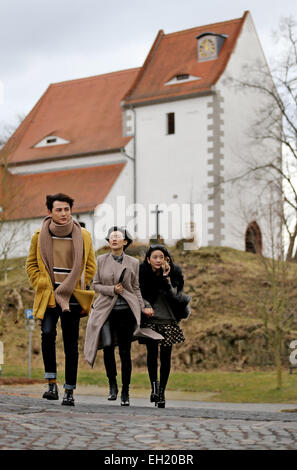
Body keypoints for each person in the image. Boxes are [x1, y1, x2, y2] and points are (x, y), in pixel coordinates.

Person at [26, 193, 96, 406]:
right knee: (47, 335)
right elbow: (31, 265)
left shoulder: (83, 235)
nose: (64, 214)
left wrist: (77, 284)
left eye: (67, 209)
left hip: (72, 296)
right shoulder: (39, 235)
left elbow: (91, 266)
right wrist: (42, 283)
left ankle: (69, 391)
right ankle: (51, 384)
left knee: (70, 344)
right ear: (50, 212)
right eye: (59, 210)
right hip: (48, 295)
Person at [84, 226, 163, 406]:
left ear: (124, 242)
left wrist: (142, 305)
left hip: (126, 311)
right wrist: (112, 290)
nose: (114, 239)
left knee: (125, 352)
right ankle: (112, 384)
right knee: (108, 346)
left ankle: (125, 390)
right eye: (111, 237)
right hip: (106, 311)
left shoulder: (133, 262)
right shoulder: (101, 260)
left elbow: (135, 287)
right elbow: (95, 285)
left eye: (118, 237)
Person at [139, 244, 185, 408]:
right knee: (152, 355)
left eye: (162, 257)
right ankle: (154, 387)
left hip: (168, 320)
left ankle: (162, 392)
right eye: (155, 257)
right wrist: (145, 305)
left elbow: (175, 295)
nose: (159, 260)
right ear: (148, 260)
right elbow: (139, 294)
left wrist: (166, 277)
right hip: (151, 320)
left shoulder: (174, 274)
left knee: (166, 357)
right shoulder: (143, 275)